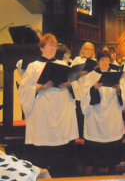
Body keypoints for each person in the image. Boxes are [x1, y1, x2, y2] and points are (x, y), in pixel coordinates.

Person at [18, 34, 78, 177]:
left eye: (55, 45)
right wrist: (40, 88)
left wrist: (70, 85)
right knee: (43, 151)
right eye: (50, 45)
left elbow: (75, 88)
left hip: (61, 112)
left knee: (62, 150)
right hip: (42, 113)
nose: (53, 48)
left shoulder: (64, 65)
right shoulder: (33, 66)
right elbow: (24, 90)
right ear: (41, 47)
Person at [81, 51, 125, 175]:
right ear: (98, 61)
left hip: (112, 114)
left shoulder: (115, 75)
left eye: (107, 60)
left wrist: (119, 90)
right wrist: (94, 88)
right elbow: (84, 95)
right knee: (96, 142)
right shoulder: (90, 76)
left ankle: (112, 165)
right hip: (95, 114)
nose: (105, 62)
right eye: (102, 60)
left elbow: (124, 94)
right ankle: (96, 166)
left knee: (112, 141)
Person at [71, 42, 96, 139]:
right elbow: (71, 74)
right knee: (80, 112)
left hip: (90, 89)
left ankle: (90, 132)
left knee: (90, 112)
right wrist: (80, 73)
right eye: (87, 49)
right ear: (83, 49)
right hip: (80, 88)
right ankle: (80, 133)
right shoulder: (78, 59)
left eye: (91, 49)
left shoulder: (94, 61)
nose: (89, 51)